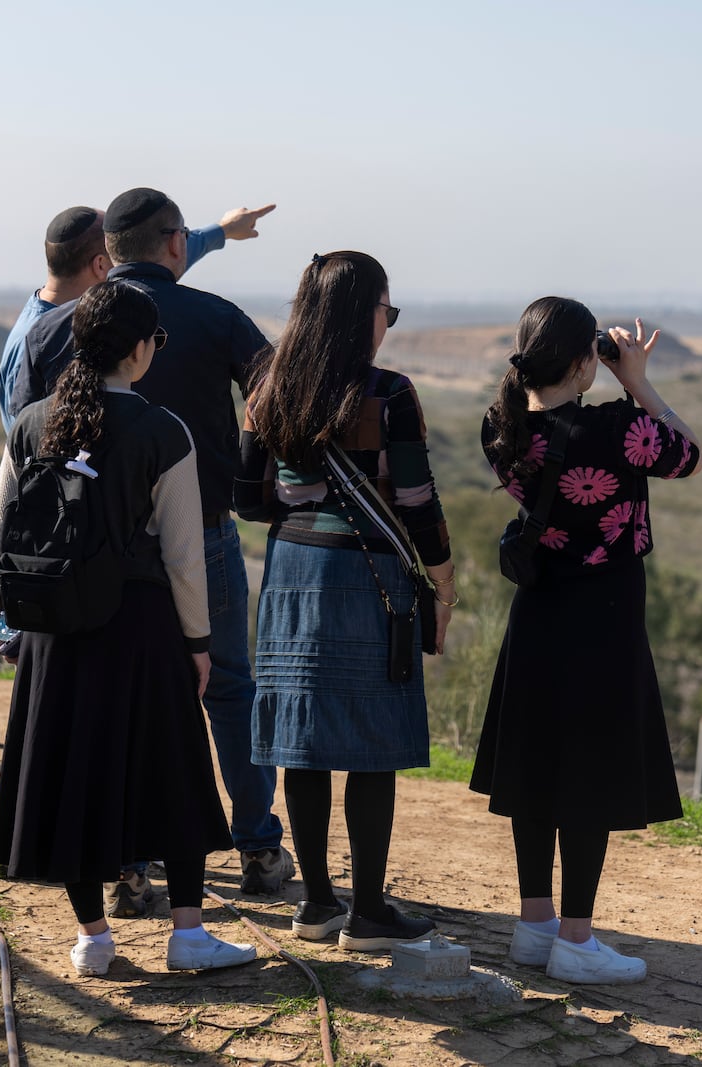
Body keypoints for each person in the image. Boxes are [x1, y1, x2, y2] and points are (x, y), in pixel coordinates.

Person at [12, 188, 295, 906]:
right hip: (202, 532)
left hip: (92, 554)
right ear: (175, 245)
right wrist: (249, 475)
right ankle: (259, 846)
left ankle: (130, 865)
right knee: (230, 689)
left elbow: (28, 441)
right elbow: (276, 401)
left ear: (110, 252)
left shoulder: (55, 330)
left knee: (115, 696)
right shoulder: (216, 317)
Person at [0, 280, 255, 976]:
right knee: (172, 770)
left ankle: (94, 939)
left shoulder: (33, 421)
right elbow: (184, 555)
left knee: (74, 773)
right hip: (140, 626)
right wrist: (199, 645)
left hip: (55, 631)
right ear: (139, 349)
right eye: (154, 340)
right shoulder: (164, 431)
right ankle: (189, 933)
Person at [471, 296, 702, 984]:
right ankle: (577, 938)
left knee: (538, 765)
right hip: (604, 616)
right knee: (590, 772)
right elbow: (687, 454)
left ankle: (534, 924)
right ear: (583, 362)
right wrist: (637, 380)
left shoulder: (501, 428)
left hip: (538, 612)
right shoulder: (617, 427)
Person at [234, 250, 455, 951]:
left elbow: (245, 498)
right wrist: (443, 580)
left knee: (301, 739)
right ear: (366, 313)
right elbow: (417, 502)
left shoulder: (267, 387)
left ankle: (318, 904)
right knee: (371, 745)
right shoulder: (390, 393)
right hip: (368, 576)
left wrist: (302, 503)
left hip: (291, 569)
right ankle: (368, 912)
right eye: (388, 308)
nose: (389, 322)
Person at [0, 201, 275, 432]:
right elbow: (276, 394)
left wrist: (222, 231)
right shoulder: (219, 318)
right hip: (206, 498)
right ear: (101, 262)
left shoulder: (43, 332)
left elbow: (25, 440)